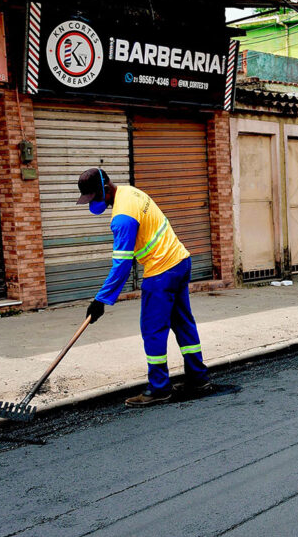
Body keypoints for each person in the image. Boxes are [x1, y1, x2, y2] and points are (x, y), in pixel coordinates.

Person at [76, 168, 209, 407]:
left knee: (152, 330)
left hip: (162, 271)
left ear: (105, 188)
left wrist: (101, 301)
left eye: (94, 196)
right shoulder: (129, 192)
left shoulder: (122, 218)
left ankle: (159, 388)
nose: (94, 202)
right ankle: (198, 378)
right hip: (180, 261)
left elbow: (122, 265)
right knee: (183, 322)